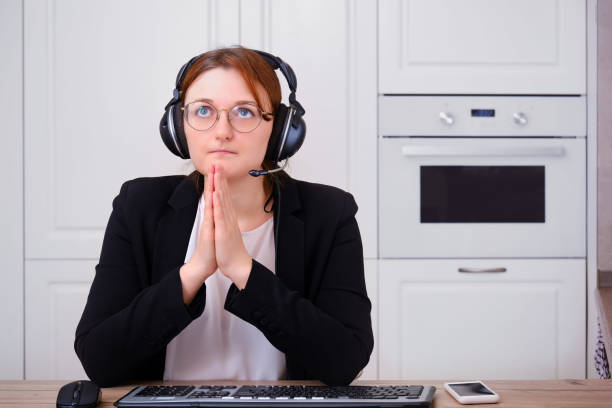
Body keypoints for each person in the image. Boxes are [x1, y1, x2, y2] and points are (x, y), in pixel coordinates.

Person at [74, 46, 373, 387]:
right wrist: (194, 272)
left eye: (244, 112)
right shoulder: (139, 206)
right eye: (203, 110)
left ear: (279, 131)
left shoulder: (330, 214)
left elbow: (346, 361)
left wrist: (244, 270)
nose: (221, 131)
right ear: (178, 126)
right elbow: (99, 360)